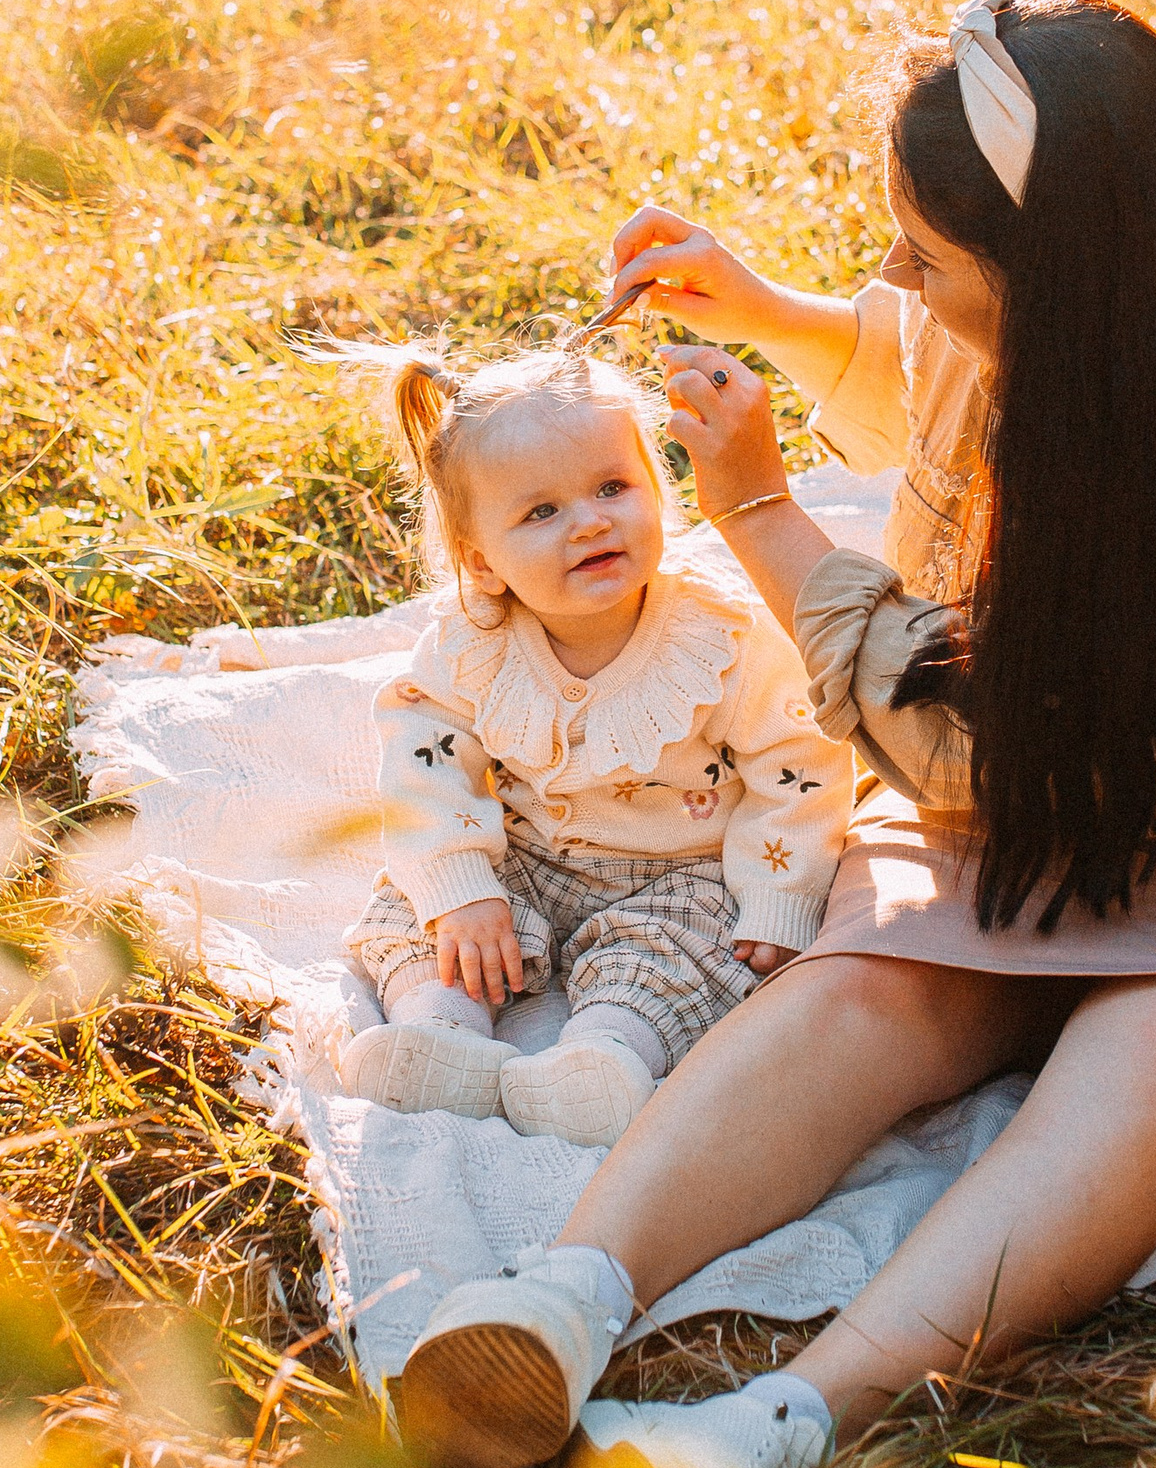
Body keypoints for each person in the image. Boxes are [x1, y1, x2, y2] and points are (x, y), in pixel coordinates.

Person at [392, 0, 1156, 1468]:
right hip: (1039, 821)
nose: (897, 281)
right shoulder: (1067, 329)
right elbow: (908, 366)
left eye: (925, 253)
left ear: (1056, 272)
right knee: (880, 978)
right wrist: (764, 306)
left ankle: (782, 1422)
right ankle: (561, 1301)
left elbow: (1010, 761)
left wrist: (767, 517)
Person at [339, 344, 849, 1148]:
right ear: (483, 561)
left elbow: (799, 763)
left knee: (691, 952)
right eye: (541, 513)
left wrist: (778, 893)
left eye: (614, 487)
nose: (591, 522)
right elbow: (424, 759)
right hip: (524, 852)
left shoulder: (719, 636)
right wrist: (462, 885)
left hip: (679, 871)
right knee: (420, 903)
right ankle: (438, 1031)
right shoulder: (470, 644)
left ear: (658, 493)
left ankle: (606, 1056)